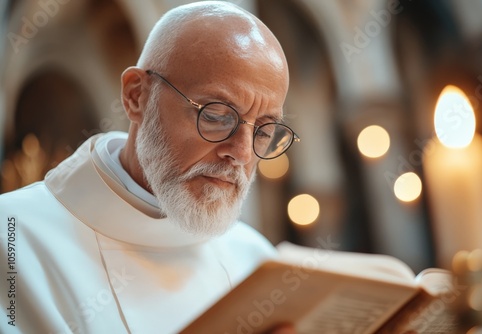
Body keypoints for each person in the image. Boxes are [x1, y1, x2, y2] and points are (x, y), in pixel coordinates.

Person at [0, 1, 299, 333]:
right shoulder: (12, 241)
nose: (241, 153)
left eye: (264, 131)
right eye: (216, 116)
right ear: (136, 96)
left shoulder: (256, 260)